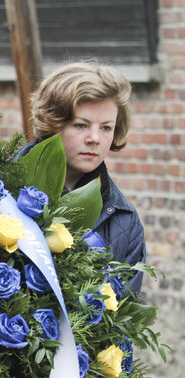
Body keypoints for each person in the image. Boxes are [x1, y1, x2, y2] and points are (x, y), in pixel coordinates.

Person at [17, 62, 146, 293]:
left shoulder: (125, 222)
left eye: (106, 128)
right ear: (53, 123)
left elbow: (124, 317)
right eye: (80, 125)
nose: (94, 138)